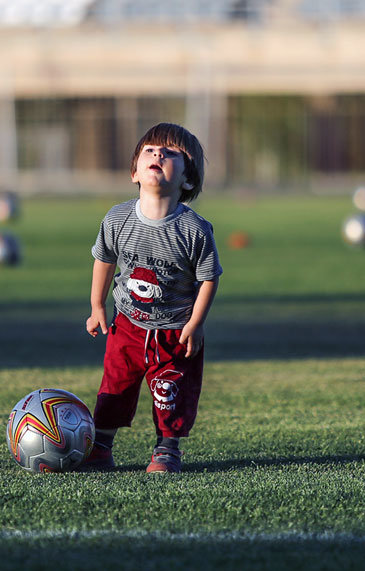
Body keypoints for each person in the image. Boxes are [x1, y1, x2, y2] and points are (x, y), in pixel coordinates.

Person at [82, 122, 222, 474]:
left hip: (175, 331)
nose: (158, 153)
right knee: (114, 388)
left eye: (171, 152)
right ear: (135, 172)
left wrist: (196, 324)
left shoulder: (194, 230)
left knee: (170, 393)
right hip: (127, 325)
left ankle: (167, 450)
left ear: (187, 180)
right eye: (150, 150)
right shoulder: (117, 218)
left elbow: (208, 278)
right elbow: (104, 259)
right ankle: (100, 447)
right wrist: (97, 305)